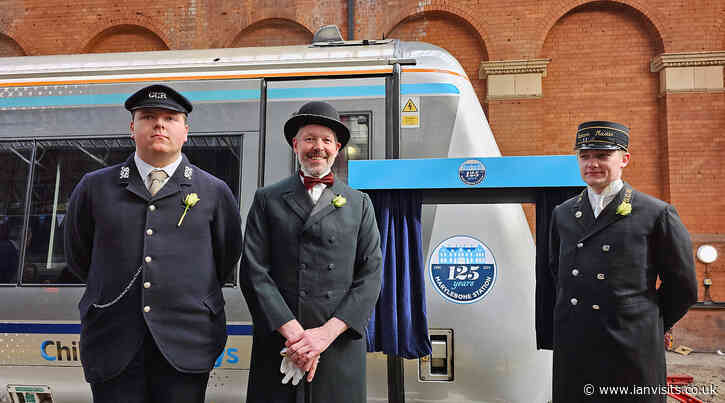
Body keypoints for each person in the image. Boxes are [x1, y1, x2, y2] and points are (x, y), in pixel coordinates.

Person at [64, 84, 243, 403]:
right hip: (113, 341)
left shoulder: (214, 191)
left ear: (185, 130)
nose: (159, 124)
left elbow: (226, 257)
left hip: (187, 342)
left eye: (170, 118)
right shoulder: (95, 187)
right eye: (148, 116)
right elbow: (79, 258)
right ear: (133, 128)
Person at [240, 101, 382, 403]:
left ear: (337, 147)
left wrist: (323, 336)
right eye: (309, 139)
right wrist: (296, 337)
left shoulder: (359, 203)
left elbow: (370, 276)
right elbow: (254, 272)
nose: (317, 147)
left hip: (337, 345)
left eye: (326, 140)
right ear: (295, 145)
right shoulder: (267, 199)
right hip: (280, 342)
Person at [548, 121, 697, 402]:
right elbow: (556, 271)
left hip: (630, 341)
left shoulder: (655, 213)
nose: (592, 163)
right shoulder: (563, 213)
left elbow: (683, 285)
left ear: (624, 159)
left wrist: (647, 320)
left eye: (602, 156)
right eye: (585, 155)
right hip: (576, 340)